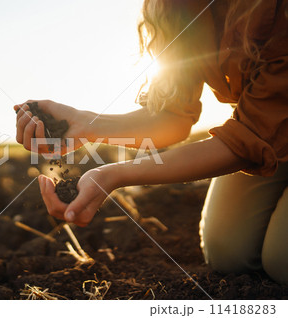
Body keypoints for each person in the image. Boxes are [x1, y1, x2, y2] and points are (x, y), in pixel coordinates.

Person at [14, 0, 288, 284]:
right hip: (269, 133)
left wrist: (115, 174)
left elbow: (246, 142)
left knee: (281, 261)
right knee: (229, 253)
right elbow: (173, 116)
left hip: (262, 134)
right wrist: (86, 124)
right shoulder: (170, 8)